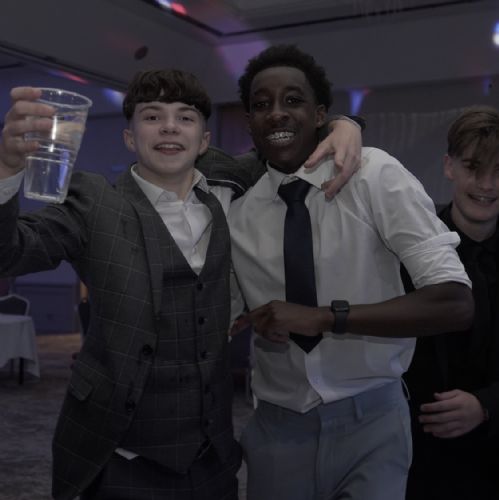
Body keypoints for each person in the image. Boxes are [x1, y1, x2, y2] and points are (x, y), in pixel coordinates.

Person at [0, 69, 361, 499]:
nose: (169, 127)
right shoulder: (92, 202)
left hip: (212, 457)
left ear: (204, 141)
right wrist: (6, 168)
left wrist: (344, 125)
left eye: (185, 117)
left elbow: (288, 141)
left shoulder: (230, 189)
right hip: (118, 455)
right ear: (130, 138)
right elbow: (10, 252)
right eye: (152, 116)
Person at [227, 44, 474, 500]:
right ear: (249, 122)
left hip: (373, 423)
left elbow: (455, 302)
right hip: (277, 430)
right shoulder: (238, 213)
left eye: (293, 100)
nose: (277, 113)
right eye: (262, 105)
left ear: (321, 114)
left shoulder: (374, 174)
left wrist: (325, 317)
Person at [404, 106, 499, 500]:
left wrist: (487, 404)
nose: (487, 184)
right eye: (473, 167)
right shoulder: (410, 251)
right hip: (422, 459)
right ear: (449, 167)